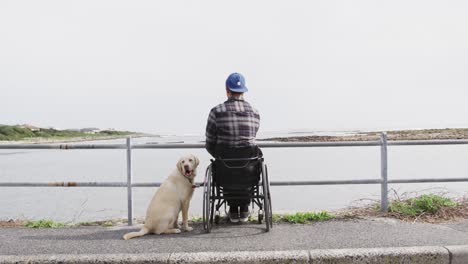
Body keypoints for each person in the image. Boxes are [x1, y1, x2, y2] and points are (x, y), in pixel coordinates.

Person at [205, 72, 261, 223]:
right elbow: (251, 138)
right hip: (248, 169)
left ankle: (233, 209)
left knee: (227, 164)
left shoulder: (216, 111)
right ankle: (244, 208)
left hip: (225, 170)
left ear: (227, 90)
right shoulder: (255, 112)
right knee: (249, 160)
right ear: (243, 90)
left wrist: (220, 154)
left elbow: (209, 142)